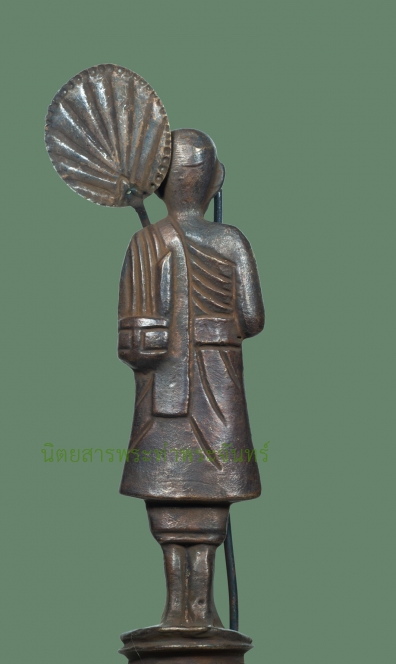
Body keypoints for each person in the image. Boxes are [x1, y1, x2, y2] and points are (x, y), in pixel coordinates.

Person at [117, 129, 265, 628]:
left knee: (169, 491)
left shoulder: (146, 241)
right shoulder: (230, 240)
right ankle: (198, 608)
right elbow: (252, 319)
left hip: (163, 387)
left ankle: (180, 608)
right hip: (216, 378)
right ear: (213, 183)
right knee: (207, 491)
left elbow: (131, 337)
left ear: (160, 186)